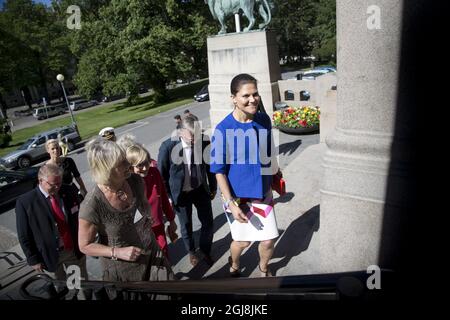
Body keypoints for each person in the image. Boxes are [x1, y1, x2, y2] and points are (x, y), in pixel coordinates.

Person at [78, 138, 174, 294]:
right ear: (106, 169)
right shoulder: (91, 205)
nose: (127, 164)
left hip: (153, 255)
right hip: (125, 271)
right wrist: (117, 252)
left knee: (171, 292)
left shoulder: (135, 181)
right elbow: (84, 246)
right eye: (121, 163)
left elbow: (144, 205)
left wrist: (148, 217)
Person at [210, 73, 280, 277]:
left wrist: (274, 171)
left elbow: (268, 151)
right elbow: (219, 171)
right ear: (234, 98)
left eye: (255, 94)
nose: (252, 99)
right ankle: (234, 263)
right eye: (246, 95)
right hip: (237, 197)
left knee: (268, 239)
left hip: (263, 192)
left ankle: (263, 268)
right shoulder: (223, 130)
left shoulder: (263, 119)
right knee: (243, 241)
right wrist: (230, 202)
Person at [15, 164, 89, 298]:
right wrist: (33, 259)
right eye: (53, 184)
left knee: (79, 284)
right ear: (40, 181)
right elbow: (24, 235)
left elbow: (81, 216)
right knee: (60, 290)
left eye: (59, 183)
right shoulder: (25, 202)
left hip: (71, 251)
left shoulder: (68, 191)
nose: (57, 188)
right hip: (49, 256)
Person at [158, 115, 217, 267]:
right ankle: (191, 252)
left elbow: (210, 166)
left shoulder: (203, 141)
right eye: (192, 136)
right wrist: (169, 197)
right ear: (181, 132)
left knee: (208, 223)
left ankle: (205, 250)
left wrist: (213, 186)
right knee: (186, 226)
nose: (195, 140)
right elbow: (161, 176)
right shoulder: (167, 147)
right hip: (181, 194)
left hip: (200, 189)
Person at [126, 143, 178, 259]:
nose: (145, 168)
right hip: (140, 232)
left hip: (158, 225)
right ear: (130, 168)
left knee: (164, 253)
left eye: (146, 162)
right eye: (140, 165)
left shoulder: (155, 172)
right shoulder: (128, 184)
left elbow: (164, 198)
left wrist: (171, 220)